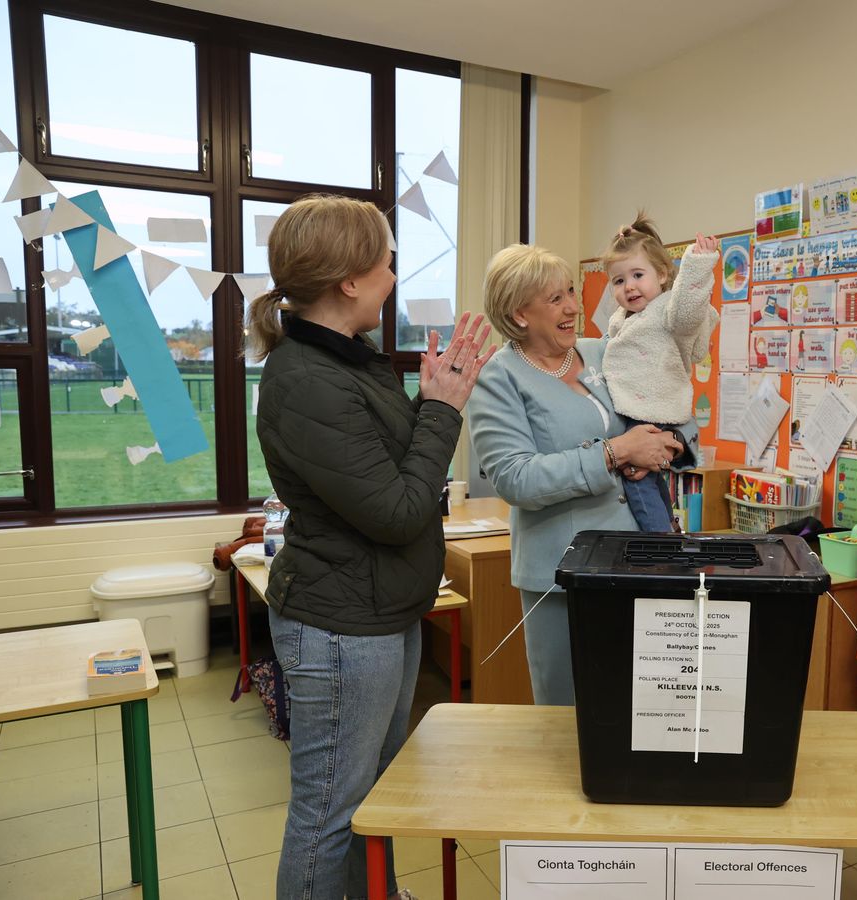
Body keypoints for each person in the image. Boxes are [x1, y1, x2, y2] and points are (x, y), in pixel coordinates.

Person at [248, 194, 493, 900]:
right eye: (387, 261)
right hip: (339, 629)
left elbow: (388, 460)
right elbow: (394, 509)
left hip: (379, 613)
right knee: (329, 814)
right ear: (350, 280)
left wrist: (432, 397)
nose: (393, 273)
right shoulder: (306, 381)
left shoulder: (352, 361)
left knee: (372, 795)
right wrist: (443, 408)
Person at [468, 244, 689, 704]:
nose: (574, 305)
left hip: (642, 554)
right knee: (569, 708)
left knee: (644, 703)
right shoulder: (497, 377)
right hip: (563, 572)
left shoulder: (606, 350)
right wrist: (613, 452)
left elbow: (668, 399)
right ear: (519, 314)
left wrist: (672, 443)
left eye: (571, 291)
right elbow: (515, 478)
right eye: (555, 299)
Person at [600, 214, 720, 531]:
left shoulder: (668, 311)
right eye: (619, 280)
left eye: (638, 274)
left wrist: (698, 264)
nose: (630, 286)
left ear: (664, 275)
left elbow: (688, 309)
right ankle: (667, 527)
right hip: (644, 408)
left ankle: (658, 538)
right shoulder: (623, 319)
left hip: (649, 410)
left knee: (636, 480)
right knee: (652, 480)